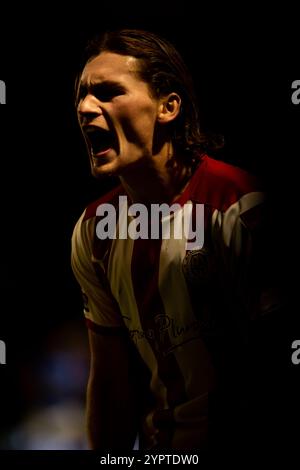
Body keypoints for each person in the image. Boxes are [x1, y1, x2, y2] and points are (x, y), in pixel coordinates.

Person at [71, 29, 280, 451]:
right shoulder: (94, 232)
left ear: (168, 107)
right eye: (81, 96)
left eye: (108, 93)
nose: (84, 107)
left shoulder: (243, 208)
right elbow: (111, 383)